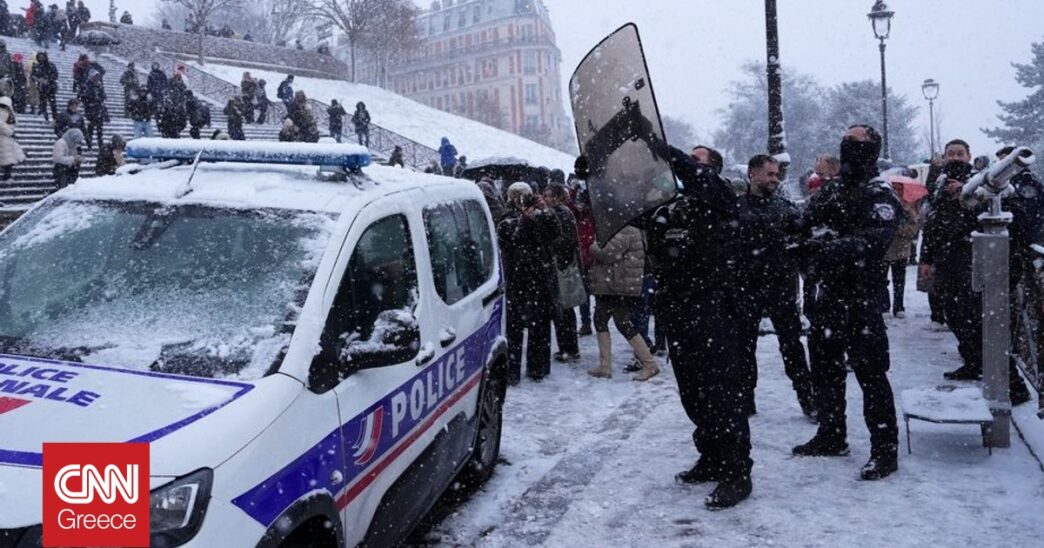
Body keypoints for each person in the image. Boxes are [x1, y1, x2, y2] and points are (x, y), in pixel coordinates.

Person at [638, 142, 753, 508]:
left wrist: (664, 149)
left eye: (697, 159)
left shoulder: (719, 198)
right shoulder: (671, 206)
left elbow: (696, 175)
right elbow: (629, 211)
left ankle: (737, 472)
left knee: (722, 393)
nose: (687, 164)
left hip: (714, 309)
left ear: (711, 169)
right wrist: (600, 176)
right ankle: (711, 456)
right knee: (693, 392)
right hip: (678, 309)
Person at [794, 124, 901, 481]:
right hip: (826, 295)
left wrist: (830, 247)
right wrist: (808, 250)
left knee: (871, 375)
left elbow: (874, 241)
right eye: (845, 140)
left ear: (871, 147)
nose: (848, 145)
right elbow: (806, 226)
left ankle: (884, 450)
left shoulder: (879, 192)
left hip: (862, 297)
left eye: (856, 141)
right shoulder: (833, 188)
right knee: (825, 370)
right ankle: (831, 434)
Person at [735, 154, 816, 420]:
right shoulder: (736, 209)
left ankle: (807, 398)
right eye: (769, 174)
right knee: (743, 347)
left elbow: (804, 245)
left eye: (777, 174)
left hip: (781, 288)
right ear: (752, 174)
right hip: (745, 288)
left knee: (792, 346)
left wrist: (808, 272)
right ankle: (745, 399)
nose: (775, 179)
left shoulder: (786, 209)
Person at [498, 182, 560, 384]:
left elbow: (555, 233)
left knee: (539, 324)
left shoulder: (539, 215)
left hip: (539, 277)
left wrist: (546, 212)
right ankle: (512, 371)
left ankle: (538, 368)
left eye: (526, 196)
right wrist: (526, 219)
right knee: (514, 327)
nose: (522, 200)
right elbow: (514, 240)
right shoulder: (507, 219)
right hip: (517, 278)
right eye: (518, 196)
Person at [585, 221, 659, 381]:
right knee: (601, 320)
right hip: (612, 285)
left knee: (622, 323)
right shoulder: (618, 227)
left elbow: (607, 253)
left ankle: (649, 364)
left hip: (618, 286)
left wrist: (593, 246)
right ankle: (605, 366)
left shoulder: (626, 229)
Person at [542, 183, 582, 364]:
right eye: (546, 195)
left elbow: (564, 241)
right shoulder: (562, 212)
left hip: (561, 266)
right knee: (564, 309)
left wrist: (549, 245)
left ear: (558, 197)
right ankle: (568, 347)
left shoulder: (561, 214)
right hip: (562, 265)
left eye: (550, 195)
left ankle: (568, 348)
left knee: (563, 309)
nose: (547, 199)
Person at [884, 186, 920, 318]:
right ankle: (884, 306)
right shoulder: (884, 205)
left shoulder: (907, 208)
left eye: (899, 189)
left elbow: (913, 229)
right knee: (882, 280)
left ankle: (899, 306)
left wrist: (898, 229)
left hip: (901, 249)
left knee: (899, 280)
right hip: (884, 248)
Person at [0, 96, 25, 180]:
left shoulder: (7, 112)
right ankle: (7, 174)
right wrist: (10, 132)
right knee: (7, 157)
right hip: (5, 138)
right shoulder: (5, 113)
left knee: (7, 157)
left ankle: (7, 174)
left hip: (6, 138)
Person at [81, 70, 106, 148]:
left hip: (99, 110)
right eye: (95, 77)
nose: (97, 78)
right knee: (90, 129)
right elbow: (83, 97)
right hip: (91, 110)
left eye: (98, 77)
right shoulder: (87, 85)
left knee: (100, 130)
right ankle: (89, 144)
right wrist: (90, 102)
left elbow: (104, 96)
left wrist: (100, 98)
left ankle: (100, 145)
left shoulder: (100, 86)